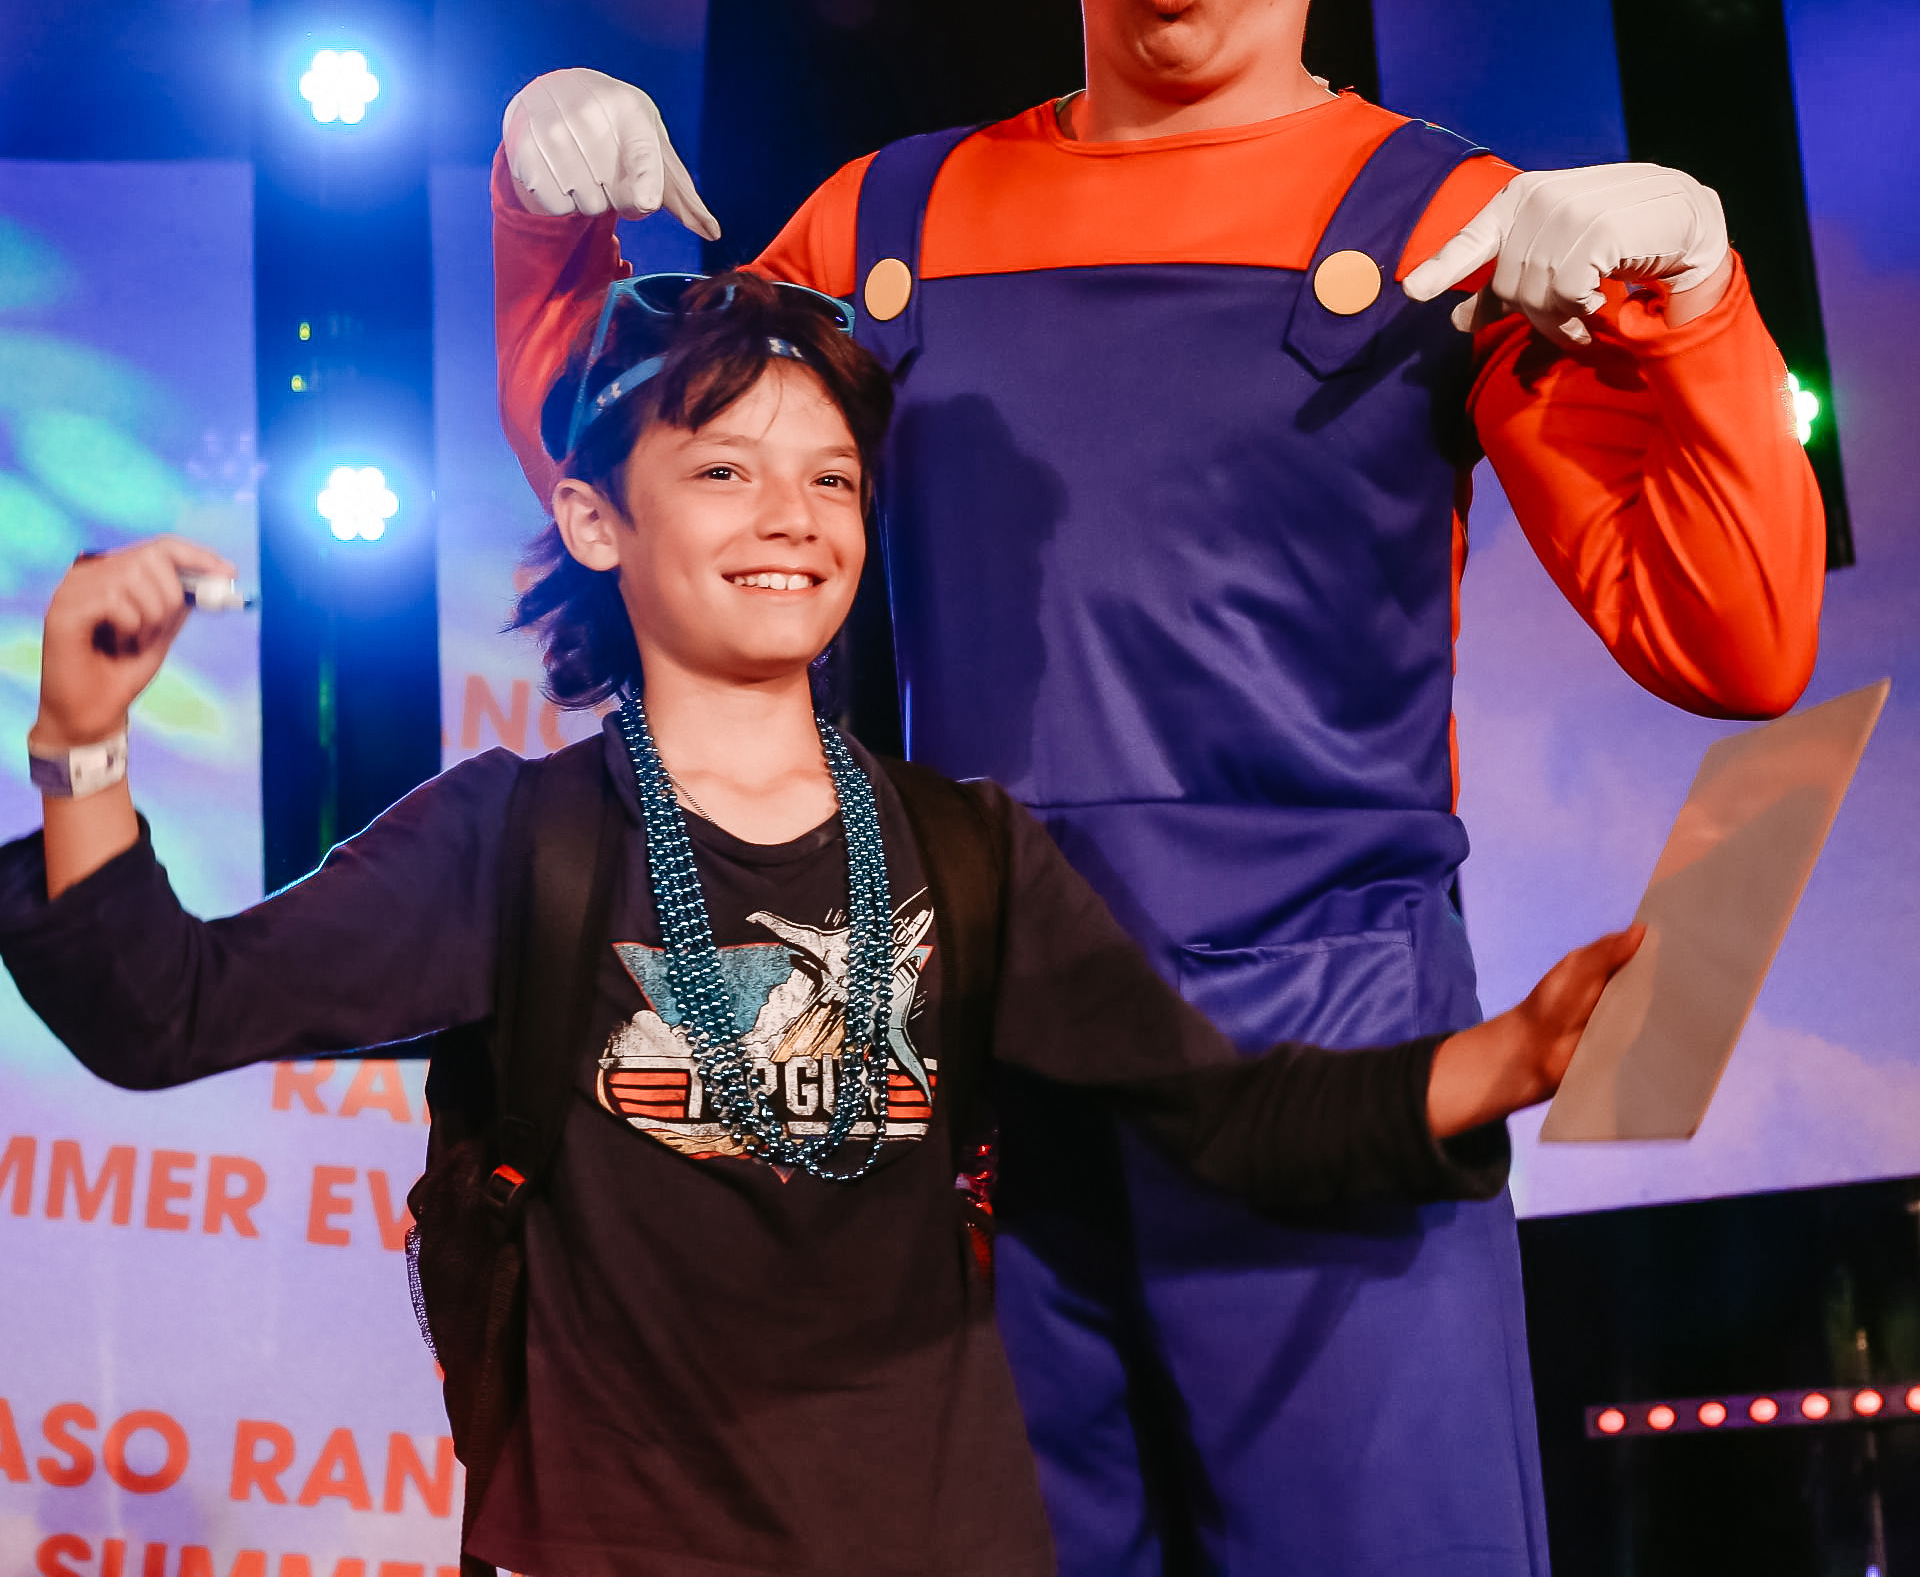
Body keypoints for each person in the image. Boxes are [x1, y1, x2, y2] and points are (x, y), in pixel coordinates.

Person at [487, 0, 1826, 1572]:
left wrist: (1690, 306)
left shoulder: (1444, 223)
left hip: (1335, 1082)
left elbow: (1734, 639)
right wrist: (545, 228)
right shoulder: (888, 227)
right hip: (985, 1095)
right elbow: (618, 482)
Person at [1, 272, 1640, 1577]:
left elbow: (1216, 1115)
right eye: (723, 471)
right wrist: (81, 741)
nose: (791, 516)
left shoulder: (965, 851)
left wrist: (1508, 1055)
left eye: (831, 478)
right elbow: (165, 1011)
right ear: (596, 520)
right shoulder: (517, 840)